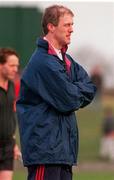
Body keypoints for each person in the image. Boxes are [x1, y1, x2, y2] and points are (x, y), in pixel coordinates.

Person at [16, 5, 96, 180]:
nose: (72, 29)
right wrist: (74, 91)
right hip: (46, 151)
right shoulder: (43, 62)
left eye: (72, 24)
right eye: (67, 25)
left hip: (63, 152)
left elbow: (90, 86)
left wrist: (73, 90)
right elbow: (68, 100)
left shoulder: (66, 60)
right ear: (51, 27)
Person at [0, 48, 21, 180]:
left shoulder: (12, 86)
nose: (15, 69)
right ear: (1, 65)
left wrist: (13, 143)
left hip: (7, 145)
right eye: (11, 65)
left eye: (17, 66)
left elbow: (11, 116)